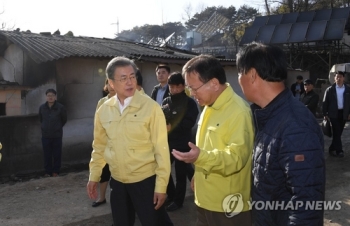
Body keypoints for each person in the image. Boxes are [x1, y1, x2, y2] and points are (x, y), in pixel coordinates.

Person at [236, 42, 325, 226]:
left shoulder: (296, 125)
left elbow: (306, 206)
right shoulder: (269, 115)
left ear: (252, 74)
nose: (238, 79)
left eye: (239, 72)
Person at [87, 56, 173, 226]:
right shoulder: (104, 110)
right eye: (123, 78)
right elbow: (99, 146)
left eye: (132, 76)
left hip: (145, 181)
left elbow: (161, 150)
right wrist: (94, 175)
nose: (129, 82)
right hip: (118, 182)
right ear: (111, 83)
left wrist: (161, 187)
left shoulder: (151, 108)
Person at [172, 54, 254, 226]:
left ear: (214, 83)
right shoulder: (209, 106)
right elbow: (208, 147)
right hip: (205, 200)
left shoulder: (238, 111)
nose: (192, 94)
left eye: (194, 88)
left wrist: (200, 158)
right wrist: (198, 174)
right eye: (189, 90)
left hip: (227, 204)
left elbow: (236, 158)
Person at [161, 72, 199, 212]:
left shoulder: (190, 103)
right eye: (171, 87)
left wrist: (172, 127)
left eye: (177, 87)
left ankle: (178, 201)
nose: (174, 90)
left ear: (183, 86)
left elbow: (189, 122)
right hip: (167, 143)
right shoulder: (166, 101)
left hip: (183, 143)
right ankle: (171, 195)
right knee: (164, 170)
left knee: (180, 174)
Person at [91, 79, 115, 207]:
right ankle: (101, 198)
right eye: (108, 84)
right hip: (105, 143)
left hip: (117, 144)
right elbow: (97, 123)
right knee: (104, 172)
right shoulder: (102, 102)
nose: (111, 86)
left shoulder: (123, 101)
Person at [39, 89, 67, 177]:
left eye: (52, 95)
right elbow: (41, 119)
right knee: (47, 154)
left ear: (55, 97)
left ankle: (56, 171)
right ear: (46, 97)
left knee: (57, 154)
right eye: (48, 95)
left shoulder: (60, 107)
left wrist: (57, 127)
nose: (50, 97)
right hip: (46, 135)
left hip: (57, 135)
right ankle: (48, 171)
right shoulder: (42, 108)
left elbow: (64, 120)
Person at [323, 71, 350, 158]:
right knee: (336, 130)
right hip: (333, 113)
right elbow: (325, 102)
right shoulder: (330, 89)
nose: (338, 79)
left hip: (344, 113)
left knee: (339, 132)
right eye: (337, 77)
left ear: (343, 78)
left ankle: (331, 148)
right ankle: (339, 151)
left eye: (340, 77)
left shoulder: (348, 89)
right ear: (334, 78)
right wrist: (325, 113)